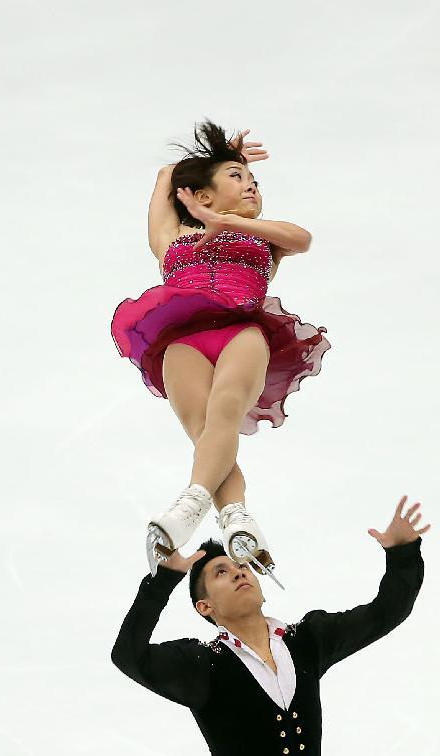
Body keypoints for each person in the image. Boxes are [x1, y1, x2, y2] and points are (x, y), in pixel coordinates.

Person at [111, 495, 429, 756]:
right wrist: (161, 582)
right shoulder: (200, 664)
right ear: (204, 606)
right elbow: (128, 656)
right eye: (222, 572)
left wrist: (402, 554)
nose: (239, 572)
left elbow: (387, 612)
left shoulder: (308, 639)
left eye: (242, 566)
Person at [110, 120, 330, 580]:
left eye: (255, 182)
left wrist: (227, 217)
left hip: (243, 331)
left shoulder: (263, 234)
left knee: (227, 409)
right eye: (238, 177)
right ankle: (236, 518)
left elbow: (303, 238)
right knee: (206, 430)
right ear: (201, 195)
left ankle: (188, 506)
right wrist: (220, 157)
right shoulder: (170, 239)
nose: (251, 185)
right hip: (181, 341)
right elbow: (167, 175)